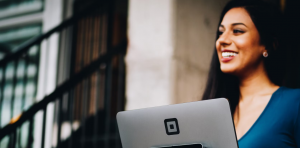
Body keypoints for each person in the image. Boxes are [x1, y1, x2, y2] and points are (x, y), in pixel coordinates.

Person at [202, 0, 300, 147]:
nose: (222, 40)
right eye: (221, 32)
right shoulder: (211, 113)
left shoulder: (294, 103)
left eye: (237, 31)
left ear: (268, 44)